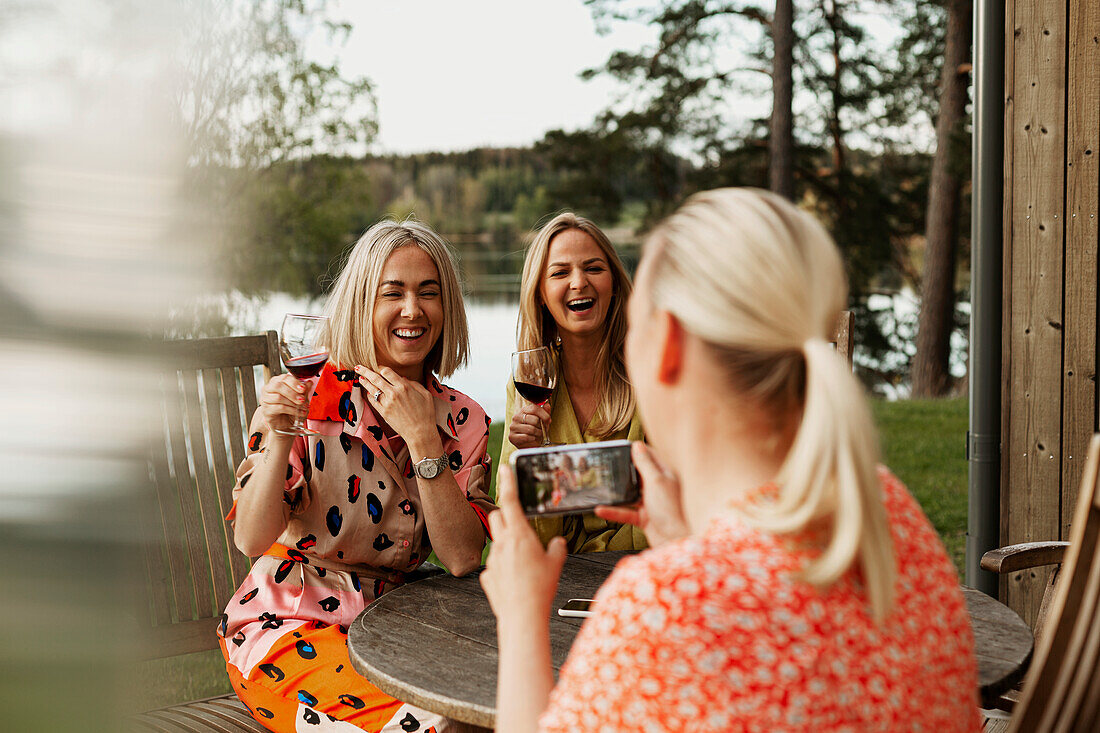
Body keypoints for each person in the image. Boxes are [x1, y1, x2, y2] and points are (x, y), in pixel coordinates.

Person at [480, 188, 980, 731]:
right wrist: (685, 541)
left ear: (667, 345)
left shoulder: (660, 605)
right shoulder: (887, 509)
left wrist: (522, 616)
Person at [218, 219, 495, 733]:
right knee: (427, 727)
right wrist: (280, 435)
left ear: (447, 307)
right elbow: (251, 538)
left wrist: (424, 442)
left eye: (428, 293)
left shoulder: (465, 420)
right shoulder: (308, 397)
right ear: (362, 305)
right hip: (290, 627)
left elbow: (461, 558)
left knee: (495, 713)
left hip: (399, 630)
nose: (412, 310)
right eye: (393, 293)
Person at [500, 212, 646, 552]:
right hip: (559, 579)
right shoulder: (527, 380)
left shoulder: (651, 373)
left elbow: (671, 503)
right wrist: (530, 458)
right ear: (540, 293)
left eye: (594, 268)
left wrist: (552, 477)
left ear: (614, 281)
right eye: (560, 272)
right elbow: (516, 531)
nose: (579, 282)